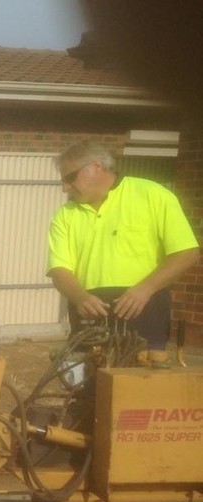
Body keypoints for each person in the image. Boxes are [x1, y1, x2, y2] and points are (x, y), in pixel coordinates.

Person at [46, 140, 200, 362]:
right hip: (89, 318)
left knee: (137, 391)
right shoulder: (65, 214)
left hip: (144, 313)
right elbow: (59, 269)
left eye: (70, 178)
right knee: (87, 391)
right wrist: (80, 297)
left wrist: (144, 289)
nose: (65, 187)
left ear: (96, 166)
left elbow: (187, 253)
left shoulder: (152, 195)